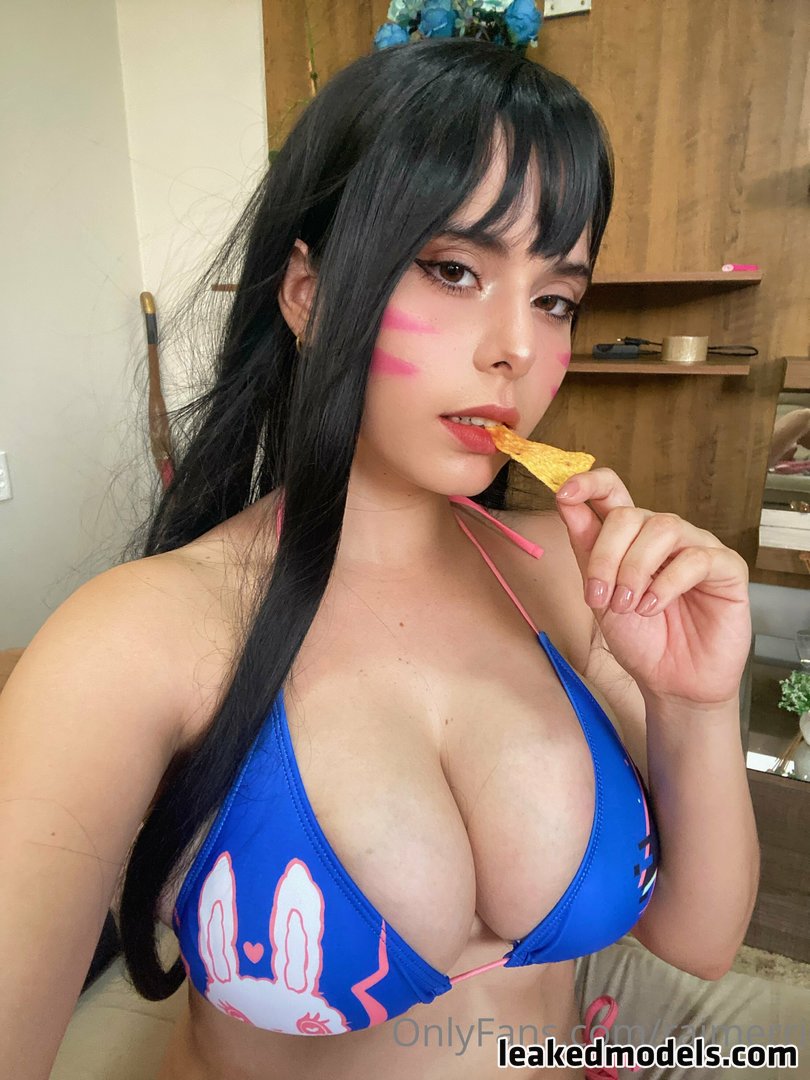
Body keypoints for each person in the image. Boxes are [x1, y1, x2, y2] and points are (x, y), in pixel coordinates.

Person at [1, 38, 758, 1080]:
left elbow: (700, 939)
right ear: (307, 294)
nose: (516, 348)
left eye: (555, 298)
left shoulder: (567, 572)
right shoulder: (132, 639)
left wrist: (694, 704)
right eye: (455, 271)